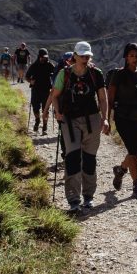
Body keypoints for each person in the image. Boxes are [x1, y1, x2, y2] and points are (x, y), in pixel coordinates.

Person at [47, 41, 107, 214]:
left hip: (92, 120)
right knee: (72, 158)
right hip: (70, 120)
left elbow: (102, 98)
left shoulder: (96, 74)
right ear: (74, 56)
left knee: (89, 159)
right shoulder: (63, 74)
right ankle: (74, 199)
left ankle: (88, 196)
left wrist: (105, 118)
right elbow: (55, 95)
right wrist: (57, 112)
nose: (85, 58)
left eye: (87, 56)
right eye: (82, 56)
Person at [105, 43, 137, 199]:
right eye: (131, 55)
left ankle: (120, 170)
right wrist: (107, 119)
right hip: (123, 118)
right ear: (126, 57)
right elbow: (110, 97)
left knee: (136, 153)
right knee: (133, 151)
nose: (134, 58)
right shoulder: (119, 74)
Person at [25, 48, 56, 135]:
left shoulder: (50, 65)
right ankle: (37, 120)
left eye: (46, 57)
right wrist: (31, 81)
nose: (45, 59)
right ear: (39, 56)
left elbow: (56, 75)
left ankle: (45, 127)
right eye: (43, 57)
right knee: (35, 108)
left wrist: (54, 82)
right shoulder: (34, 66)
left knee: (45, 110)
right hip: (35, 90)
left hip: (46, 90)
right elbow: (27, 76)